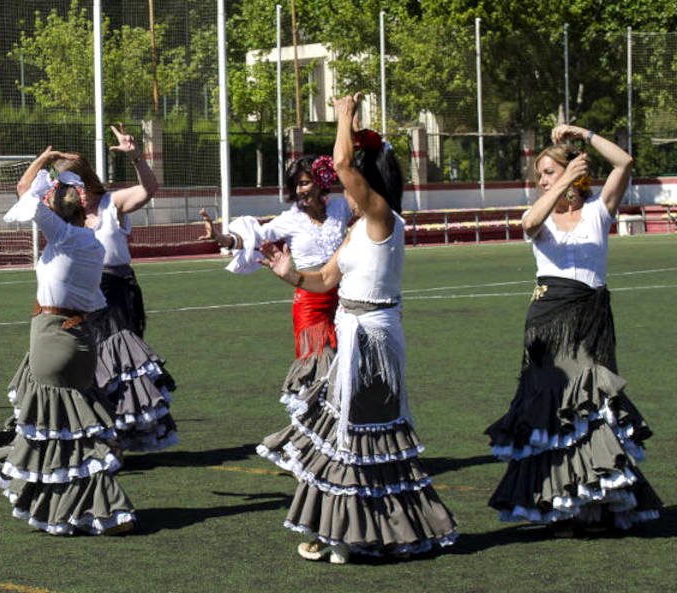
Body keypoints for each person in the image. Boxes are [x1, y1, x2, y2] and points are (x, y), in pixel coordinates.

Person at [262, 94, 457, 563]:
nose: (341, 189)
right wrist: (288, 273)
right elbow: (326, 279)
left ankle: (354, 537)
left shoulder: (381, 217)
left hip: (371, 336)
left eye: (350, 184)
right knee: (352, 439)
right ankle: (351, 535)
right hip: (350, 330)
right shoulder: (356, 228)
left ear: (367, 185)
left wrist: (345, 116)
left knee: (360, 438)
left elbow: (342, 161)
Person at [485, 124, 662, 533]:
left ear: (573, 172)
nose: (543, 180)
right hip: (548, 323)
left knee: (590, 409)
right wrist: (561, 181)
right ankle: (557, 503)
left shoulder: (599, 210)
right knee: (552, 416)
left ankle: (593, 500)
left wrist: (583, 133)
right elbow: (528, 223)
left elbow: (625, 162)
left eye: (550, 172)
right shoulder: (543, 218)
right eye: (540, 176)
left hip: (591, 322)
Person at [0, 151, 136, 535]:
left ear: (58, 214)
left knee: (58, 432)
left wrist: (45, 158)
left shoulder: (64, 236)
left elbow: (23, 191)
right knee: (66, 430)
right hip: (81, 339)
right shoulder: (93, 243)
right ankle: (67, 506)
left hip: (53, 336)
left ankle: (111, 510)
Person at [46, 125, 176, 452]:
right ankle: (97, 434)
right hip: (81, 296)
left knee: (118, 365)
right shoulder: (65, 216)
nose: (76, 191)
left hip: (116, 292)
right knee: (86, 366)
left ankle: (121, 434)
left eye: (78, 182)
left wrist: (136, 157)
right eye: (67, 185)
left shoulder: (110, 203)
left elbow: (149, 188)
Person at [199, 155, 350, 421]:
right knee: (318, 368)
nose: (300, 190)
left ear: (322, 182)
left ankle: (340, 431)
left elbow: (368, 207)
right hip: (311, 306)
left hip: (346, 303)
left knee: (345, 367)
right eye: (296, 185)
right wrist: (222, 238)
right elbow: (253, 237)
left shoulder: (340, 208)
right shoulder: (289, 220)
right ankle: (312, 432)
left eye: (306, 182)